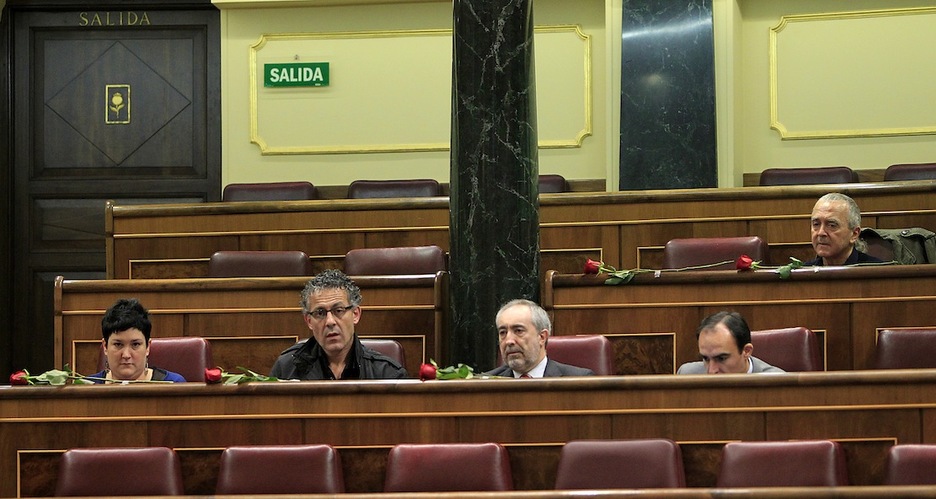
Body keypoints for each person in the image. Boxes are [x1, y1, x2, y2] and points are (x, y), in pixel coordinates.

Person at [270, 269, 407, 380]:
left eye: (338, 310)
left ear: (355, 314)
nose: (330, 321)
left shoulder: (388, 373)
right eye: (320, 313)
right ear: (309, 321)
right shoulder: (286, 368)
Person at [485, 299, 594, 378]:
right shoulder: (485, 384)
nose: (509, 341)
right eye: (503, 332)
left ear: (542, 337)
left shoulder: (578, 380)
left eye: (518, 331)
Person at [88, 298, 186, 383]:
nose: (126, 355)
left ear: (148, 347)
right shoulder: (88, 386)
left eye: (135, 344)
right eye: (118, 344)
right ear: (105, 346)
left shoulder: (173, 384)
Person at [677, 311, 784, 374]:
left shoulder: (776, 383)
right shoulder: (688, 375)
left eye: (721, 358)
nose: (712, 371)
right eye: (706, 358)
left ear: (746, 351)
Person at [805, 192, 883, 266]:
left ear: (854, 234)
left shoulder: (878, 271)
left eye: (832, 225)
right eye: (816, 224)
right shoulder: (803, 272)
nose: (821, 233)